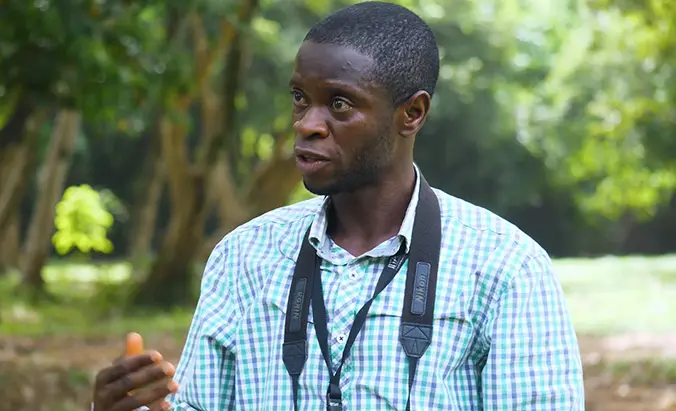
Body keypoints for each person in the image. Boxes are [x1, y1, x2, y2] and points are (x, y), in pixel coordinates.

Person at [90, 2, 586, 410]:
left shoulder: (505, 267)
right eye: (300, 98)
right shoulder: (242, 257)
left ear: (411, 113)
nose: (308, 122)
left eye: (340, 104)